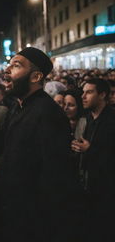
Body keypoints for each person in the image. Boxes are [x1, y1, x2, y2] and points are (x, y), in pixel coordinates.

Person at [0, 47, 80, 242]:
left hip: (34, 219)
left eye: (16, 65)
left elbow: (54, 175)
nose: (7, 70)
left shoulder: (47, 113)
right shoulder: (18, 107)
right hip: (15, 209)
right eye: (9, 64)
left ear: (36, 76)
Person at [71, 78, 115, 241]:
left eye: (89, 92)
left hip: (107, 191)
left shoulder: (111, 120)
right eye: (83, 92)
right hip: (89, 186)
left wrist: (90, 150)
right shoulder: (89, 118)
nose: (83, 96)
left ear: (102, 95)